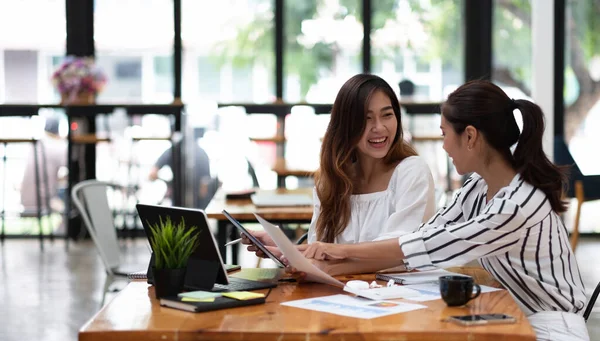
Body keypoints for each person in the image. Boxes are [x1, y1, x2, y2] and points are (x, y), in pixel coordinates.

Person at [300, 80, 589, 341]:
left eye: (444, 134)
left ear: (470, 136)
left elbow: (428, 245)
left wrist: (335, 254)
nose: (444, 146)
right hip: (514, 317)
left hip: (553, 328)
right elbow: (422, 238)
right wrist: (319, 265)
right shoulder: (477, 189)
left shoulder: (517, 203)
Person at [243, 74, 436, 274]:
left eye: (387, 115)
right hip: (338, 296)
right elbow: (322, 250)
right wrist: (285, 247)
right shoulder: (333, 179)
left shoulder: (411, 171)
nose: (379, 127)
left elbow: (399, 253)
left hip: (399, 298)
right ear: (346, 125)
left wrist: (328, 268)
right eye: (366, 119)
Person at [148, 139, 216, 209]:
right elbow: (152, 173)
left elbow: (204, 185)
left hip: (196, 199)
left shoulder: (200, 153)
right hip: (179, 197)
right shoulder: (171, 151)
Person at [20, 115, 67, 214]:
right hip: (44, 201)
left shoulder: (37, 144)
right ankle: (69, 228)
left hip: (25, 198)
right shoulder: (58, 146)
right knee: (69, 196)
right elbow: (72, 168)